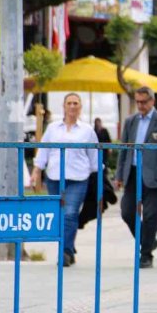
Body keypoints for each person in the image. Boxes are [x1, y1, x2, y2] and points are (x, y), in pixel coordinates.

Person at [31, 93, 99, 267]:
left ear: (80, 107)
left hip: (78, 178)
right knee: (59, 214)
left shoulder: (87, 130)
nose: (72, 106)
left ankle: (65, 252)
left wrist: (97, 175)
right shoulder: (53, 128)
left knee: (70, 213)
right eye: (69, 103)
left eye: (76, 103)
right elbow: (44, 150)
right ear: (63, 106)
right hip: (54, 177)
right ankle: (69, 246)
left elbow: (94, 157)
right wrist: (36, 171)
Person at [115, 86, 157, 268]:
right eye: (137, 102)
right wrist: (119, 174)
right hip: (132, 173)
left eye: (144, 102)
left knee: (150, 215)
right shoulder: (131, 121)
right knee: (127, 211)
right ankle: (147, 240)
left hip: (155, 177)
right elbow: (124, 148)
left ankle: (145, 254)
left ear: (152, 101)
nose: (140, 105)